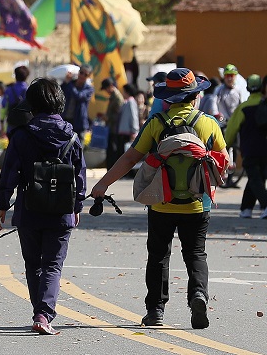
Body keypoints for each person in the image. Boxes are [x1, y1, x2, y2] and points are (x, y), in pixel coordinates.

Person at [91, 68, 229, 329]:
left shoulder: (156, 122)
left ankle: (155, 311)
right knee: (196, 253)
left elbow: (130, 158)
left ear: (168, 98)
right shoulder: (207, 123)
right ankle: (198, 295)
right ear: (194, 96)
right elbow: (224, 161)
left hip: (160, 201)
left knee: (158, 256)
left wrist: (101, 185)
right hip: (198, 203)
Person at [0, 78, 86, 335]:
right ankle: (43, 314)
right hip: (62, 211)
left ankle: (40, 313)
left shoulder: (22, 136)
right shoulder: (72, 137)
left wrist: (2, 204)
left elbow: (9, 172)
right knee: (53, 266)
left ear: (32, 106)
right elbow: (80, 175)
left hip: (29, 209)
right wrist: (77, 206)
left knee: (33, 264)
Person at [224, 74, 267, 219]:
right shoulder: (265, 104)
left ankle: (265, 205)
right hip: (265, 150)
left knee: (255, 178)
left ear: (248, 88)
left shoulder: (243, 108)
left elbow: (231, 131)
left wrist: (224, 148)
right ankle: (246, 209)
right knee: (257, 178)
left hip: (250, 149)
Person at [61, 64, 95, 145]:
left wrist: (69, 84)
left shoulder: (89, 88)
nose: (82, 76)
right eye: (81, 73)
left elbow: (78, 96)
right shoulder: (70, 83)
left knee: (77, 149)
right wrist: (66, 82)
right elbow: (60, 92)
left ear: (88, 76)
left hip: (78, 124)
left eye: (85, 74)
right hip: (66, 120)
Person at [100, 77, 124, 170]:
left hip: (115, 128)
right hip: (111, 127)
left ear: (110, 86)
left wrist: (107, 118)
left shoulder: (117, 97)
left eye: (106, 89)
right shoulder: (113, 96)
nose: (106, 91)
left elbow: (118, 115)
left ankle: (112, 169)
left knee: (113, 150)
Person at [3, 65, 30, 135]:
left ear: (15, 76)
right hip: (25, 124)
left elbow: (3, 105)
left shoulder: (9, 89)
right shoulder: (29, 90)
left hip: (12, 124)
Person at [117, 84, 140, 158]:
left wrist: (134, 131)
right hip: (123, 132)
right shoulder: (126, 102)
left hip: (128, 133)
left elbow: (134, 117)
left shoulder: (131, 102)